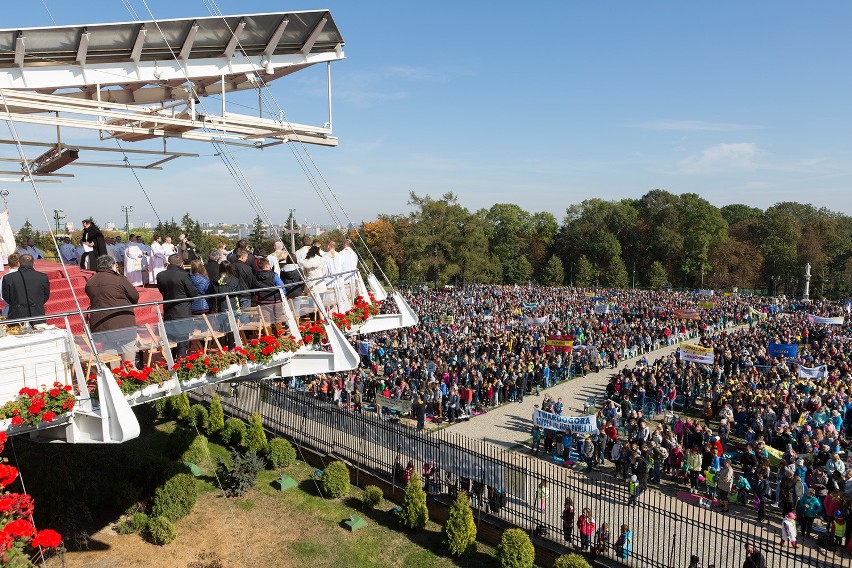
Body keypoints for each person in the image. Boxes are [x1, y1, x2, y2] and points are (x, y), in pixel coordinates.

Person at [84, 255, 140, 366]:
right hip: (122, 321)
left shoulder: (90, 281)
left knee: (109, 351)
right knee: (128, 349)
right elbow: (134, 296)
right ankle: (131, 376)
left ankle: (116, 376)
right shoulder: (119, 279)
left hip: (101, 322)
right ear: (112, 266)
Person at [156, 254, 198, 360]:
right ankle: (181, 364)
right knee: (182, 343)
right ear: (181, 263)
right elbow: (192, 292)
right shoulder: (184, 275)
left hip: (169, 308)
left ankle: (172, 363)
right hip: (182, 310)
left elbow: (162, 291)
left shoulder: (160, 275)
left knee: (171, 340)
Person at [1, 254, 50, 324]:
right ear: (33, 263)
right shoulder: (42, 277)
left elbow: (6, 297)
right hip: (36, 313)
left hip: (17, 314)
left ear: (19, 263)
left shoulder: (8, 278)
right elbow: (46, 295)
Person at [212, 260, 240, 350]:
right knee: (231, 327)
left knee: (222, 327)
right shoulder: (235, 280)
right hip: (232, 305)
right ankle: (231, 347)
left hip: (221, 305)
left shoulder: (216, 280)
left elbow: (214, 292)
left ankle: (223, 347)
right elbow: (238, 293)